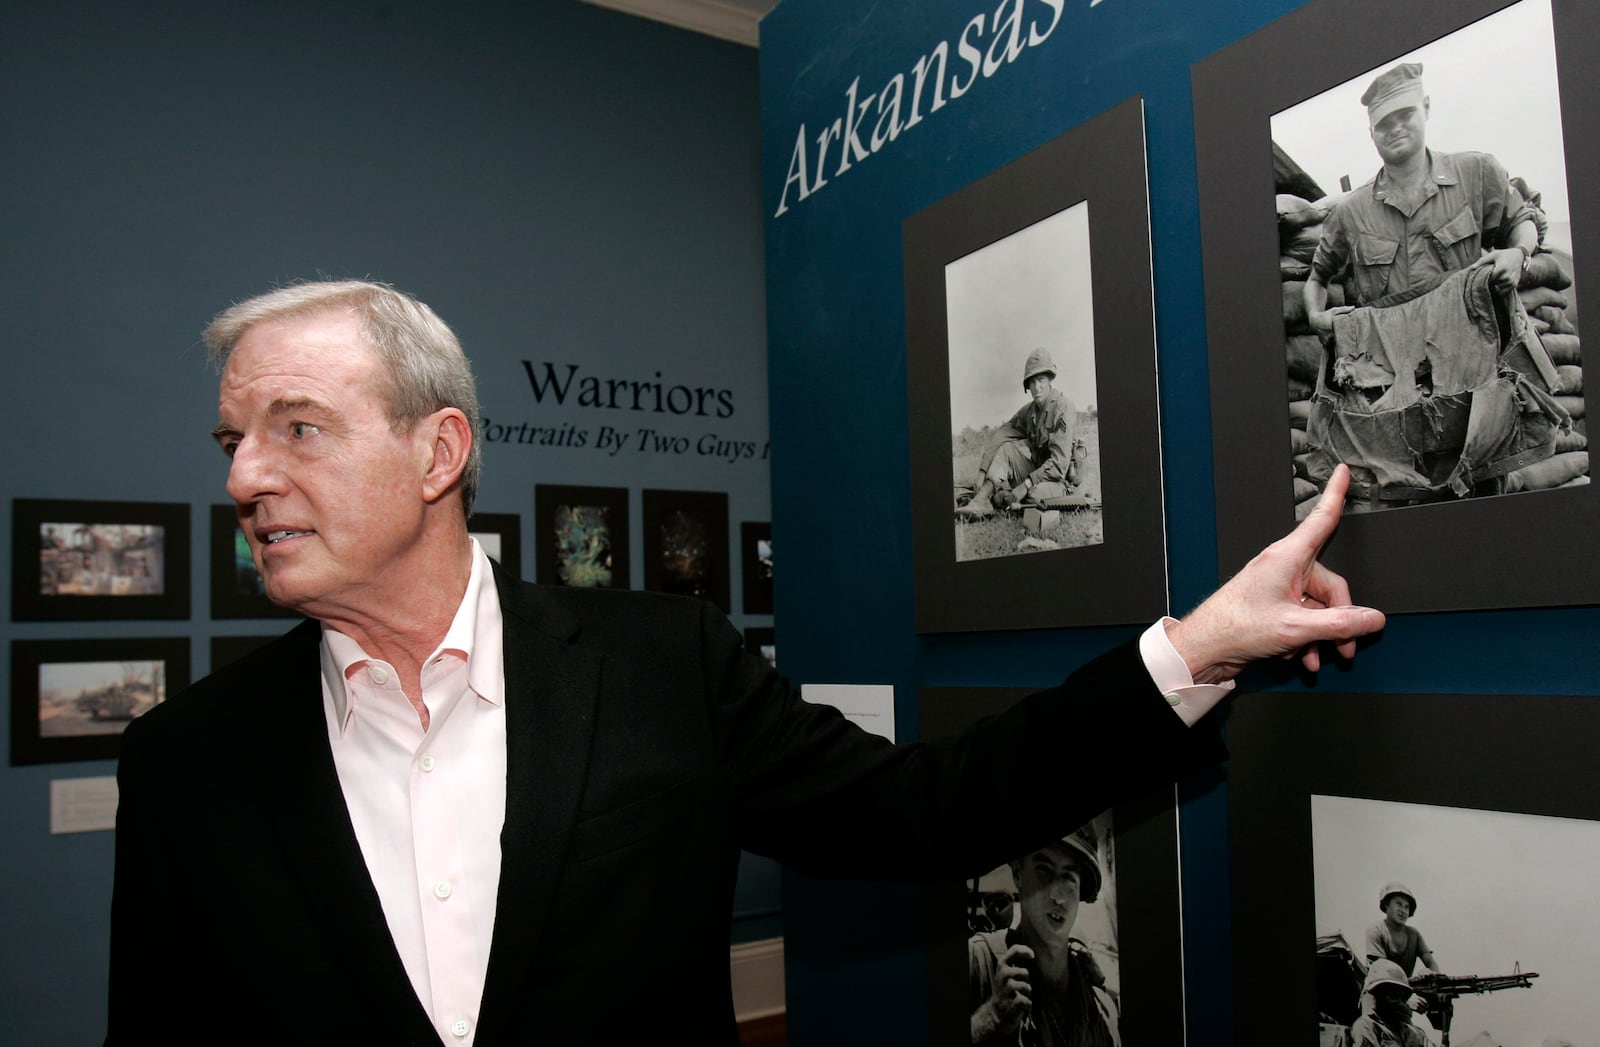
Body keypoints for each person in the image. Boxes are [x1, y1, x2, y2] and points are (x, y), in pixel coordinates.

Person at [106, 280, 1384, 1045]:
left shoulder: (661, 664)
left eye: (298, 429)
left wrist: (1197, 646)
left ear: (437, 453)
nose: (245, 476)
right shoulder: (189, 756)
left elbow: (922, 812)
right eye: (231, 438)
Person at [1303, 61, 1540, 334]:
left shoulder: (1476, 173)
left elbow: (1520, 220)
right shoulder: (1350, 211)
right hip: (1390, 362)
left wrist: (1519, 253)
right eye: (1384, 124)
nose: (1395, 128)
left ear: (1425, 108)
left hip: (1471, 350)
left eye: (1405, 115)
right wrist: (1314, 316)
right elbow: (1317, 279)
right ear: (1371, 133)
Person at [969, 825, 1118, 1046]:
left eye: (1069, 877)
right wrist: (991, 1019)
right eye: (1043, 870)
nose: (1057, 897)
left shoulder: (1096, 999)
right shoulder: (979, 959)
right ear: (1018, 874)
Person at [956, 347, 1079, 518]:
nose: (1037, 387)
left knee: (1034, 495)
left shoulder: (1062, 408)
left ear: (1050, 379)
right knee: (1007, 449)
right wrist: (982, 473)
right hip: (1037, 474)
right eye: (1032, 382)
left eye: (1041, 380)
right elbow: (1002, 433)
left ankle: (1000, 499)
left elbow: (1059, 465)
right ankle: (981, 501)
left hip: (1058, 481)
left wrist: (1026, 484)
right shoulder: (1030, 412)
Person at [1365, 881, 1441, 980]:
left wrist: (1430, 973)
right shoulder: (1376, 930)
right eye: (1399, 904)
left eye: (1406, 907)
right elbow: (1381, 969)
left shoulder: (1414, 934)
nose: (1403, 911)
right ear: (1387, 904)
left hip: (1405, 989)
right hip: (1378, 987)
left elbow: (1431, 963)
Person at [1350, 960, 1430, 1047]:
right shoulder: (1366, 1026)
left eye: (1402, 996)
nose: (1398, 1001)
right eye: (1393, 995)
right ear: (1378, 995)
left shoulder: (1416, 1034)